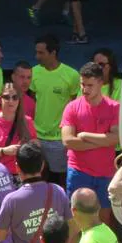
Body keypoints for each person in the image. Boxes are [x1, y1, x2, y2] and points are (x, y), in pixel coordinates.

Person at [0, 143, 71, 243]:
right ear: (42, 165)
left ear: (17, 167)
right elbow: (72, 227)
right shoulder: (58, 191)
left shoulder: (11, 200)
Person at [61, 62, 121, 222]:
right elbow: (68, 141)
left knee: (104, 218)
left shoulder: (114, 107)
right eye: (82, 84)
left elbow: (116, 139)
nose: (85, 89)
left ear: (101, 83)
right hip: (79, 171)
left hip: (105, 172)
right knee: (75, 220)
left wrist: (84, 135)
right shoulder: (72, 107)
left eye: (90, 85)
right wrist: (103, 141)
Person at [31, 35, 81, 183]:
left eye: (41, 53)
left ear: (53, 53)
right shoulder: (34, 72)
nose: (37, 56)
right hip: (37, 136)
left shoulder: (71, 75)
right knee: (39, 176)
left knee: (62, 177)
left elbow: (74, 106)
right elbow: (34, 100)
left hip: (60, 138)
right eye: (36, 52)